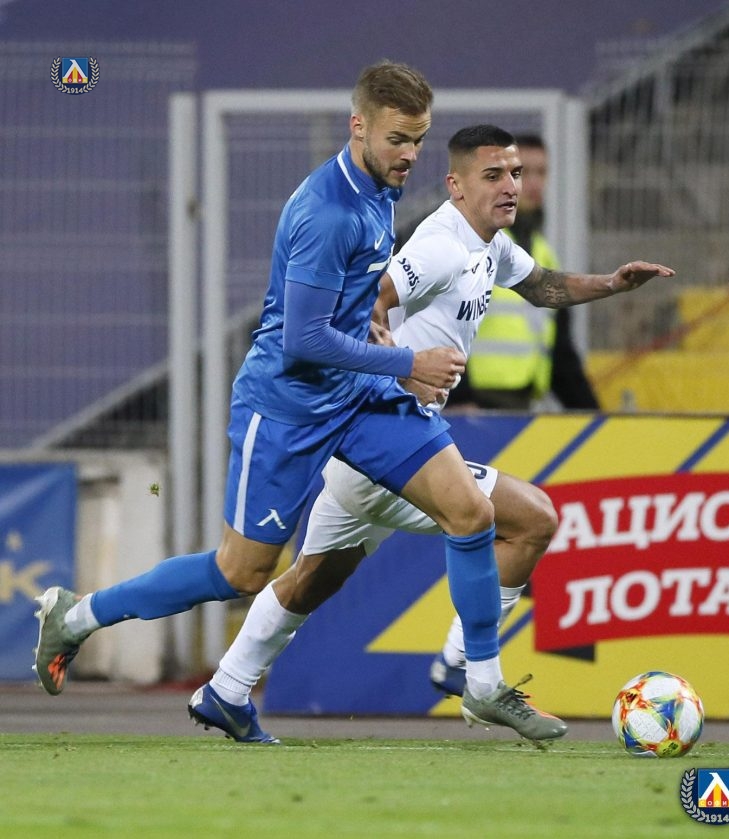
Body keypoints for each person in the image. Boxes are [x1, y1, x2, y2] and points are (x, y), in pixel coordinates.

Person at [34, 62, 521, 745]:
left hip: (355, 396)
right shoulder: (328, 212)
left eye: (418, 139)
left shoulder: (379, 188)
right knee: (241, 571)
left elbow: (353, 305)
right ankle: (78, 616)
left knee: (471, 511)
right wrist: (407, 362)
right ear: (358, 127)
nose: (410, 154)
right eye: (397, 139)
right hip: (287, 407)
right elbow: (303, 339)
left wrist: (379, 338)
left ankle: (481, 681)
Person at [188, 124, 674, 742]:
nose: (511, 186)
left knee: (314, 578)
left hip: (367, 444)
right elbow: (371, 300)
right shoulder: (440, 245)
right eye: (494, 175)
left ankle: (227, 688)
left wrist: (611, 283)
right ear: (456, 184)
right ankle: (467, 669)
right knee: (529, 519)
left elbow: (542, 286)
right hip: (388, 438)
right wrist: (403, 368)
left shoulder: (490, 245)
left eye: (515, 173)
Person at [467, 135, 600, 410]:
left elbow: (561, 354)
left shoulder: (543, 253)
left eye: (542, 172)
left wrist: (597, 417)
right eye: (521, 173)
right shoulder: (475, 244)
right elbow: (440, 327)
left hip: (520, 407)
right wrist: (458, 398)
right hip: (472, 406)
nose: (534, 183)